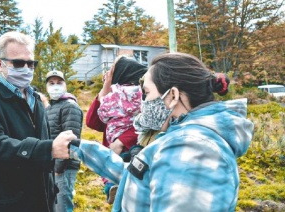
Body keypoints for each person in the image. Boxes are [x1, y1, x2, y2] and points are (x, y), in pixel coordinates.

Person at [58, 52, 254, 211]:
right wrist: (81, 148)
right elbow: (139, 174)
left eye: (147, 93)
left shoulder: (193, 149)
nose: (142, 103)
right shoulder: (182, 138)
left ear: (173, 96)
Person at [0, 31, 76, 211]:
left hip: (42, 200)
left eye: (31, 63)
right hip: (5, 203)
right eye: (18, 63)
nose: (26, 68)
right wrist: (49, 149)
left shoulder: (36, 98)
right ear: (0, 64)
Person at [86, 55, 147, 203]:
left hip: (136, 153)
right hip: (116, 155)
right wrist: (104, 91)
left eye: (112, 71)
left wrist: (122, 140)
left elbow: (147, 122)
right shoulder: (115, 97)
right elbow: (92, 122)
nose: (107, 74)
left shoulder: (143, 94)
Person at [45, 70, 83, 212]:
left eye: (59, 83)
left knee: (62, 205)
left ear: (65, 85)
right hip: (51, 164)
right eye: (51, 83)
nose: (55, 86)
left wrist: (58, 168)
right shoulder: (50, 107)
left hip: (64, 166)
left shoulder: (69, 106)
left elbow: (71, 140)